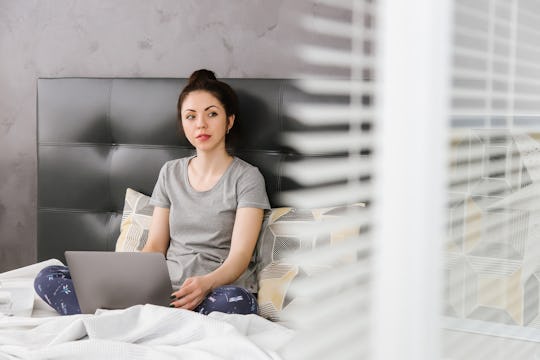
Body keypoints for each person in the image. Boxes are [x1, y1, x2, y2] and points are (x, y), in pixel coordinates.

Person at [34, 69, 270, 316]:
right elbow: (156, 245)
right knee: (47, 276)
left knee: (238, 302)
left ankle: (121, 319)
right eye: (191, 116)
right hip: (164, 289)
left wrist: (205, 284)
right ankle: (144, 318)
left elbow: (240, 258)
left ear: (229, 121)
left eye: (212, 114)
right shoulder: (170, 172)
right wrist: (134, 281)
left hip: (213, 291)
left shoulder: (247, 177)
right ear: (183, 123)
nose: (201, 124)